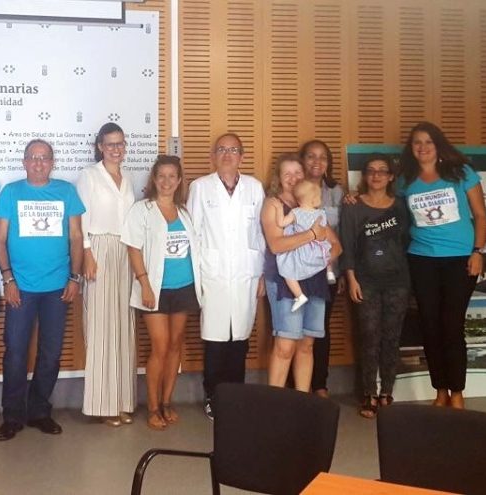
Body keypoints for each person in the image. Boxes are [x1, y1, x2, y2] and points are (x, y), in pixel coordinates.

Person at [0, 140, 84, 441]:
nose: (39, 163)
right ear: (24, 162)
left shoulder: (66, 191)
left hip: (58, 287)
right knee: (16, 352)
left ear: (52, 162)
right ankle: (12, 415)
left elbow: (75, 237)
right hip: (21, 287)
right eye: (33, 158)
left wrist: (74, 278)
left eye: (44, 158)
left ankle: (40, 411)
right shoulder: (11, 192)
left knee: (51, 353)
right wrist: (8, 280)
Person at [398, 122, 486, 409]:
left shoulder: (461, 173)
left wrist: (478, 251)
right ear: (411, 149)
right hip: (421, 259)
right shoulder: (405, 180)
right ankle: (440, 391)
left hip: (460, 259)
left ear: (438, 145)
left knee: (451, 326)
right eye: (416, 143)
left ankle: (457, 392)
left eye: (428, 142)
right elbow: (386, 206)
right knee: (430, 326)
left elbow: (481, 216)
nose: (422, 147)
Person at [186, 133, 265, 419]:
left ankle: (237, 395)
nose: (228, 155)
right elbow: (193, 235)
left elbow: (261, 234)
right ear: (213, 156)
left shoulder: (254, 188)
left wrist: (261, 275)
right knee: (216, 340)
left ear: (242, 156)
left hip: (246, 273)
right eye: (222, 150)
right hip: (213, 275)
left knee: (240, 338)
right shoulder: (200, 187)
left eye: (233, 150)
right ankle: (214, 395)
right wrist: (198, 278)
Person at [122, 155, 201, 430]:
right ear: (154, 179)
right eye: (161, 176)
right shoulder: (141, 210)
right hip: (154, 289)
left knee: (176, 344)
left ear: (179, 181)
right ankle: (153, 406)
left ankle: (168, 402)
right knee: (160, 345)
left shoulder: (184, 213)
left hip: (184, 287)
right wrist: (144, 283)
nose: (167, 181)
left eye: (172, 176)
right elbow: (133, 248)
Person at [261, 154, 341, 393]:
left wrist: (319, 257)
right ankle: (275, 408)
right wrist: (312, 236)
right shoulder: (273, 205)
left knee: (307, 344)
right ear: (278, 178)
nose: (293, 178)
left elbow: (337, 246)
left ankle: (302, 402)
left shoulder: (313, 209)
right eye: (287, 173)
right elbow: (276, 245)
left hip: (315, 281)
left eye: (298, 173)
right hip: (286, 281)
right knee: (285, 345)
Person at [76, 123, 138, 426]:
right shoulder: (89, 176)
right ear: (100, 146)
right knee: (101, 327)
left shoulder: (128, 179)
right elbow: (81, 220)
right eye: (110, 144)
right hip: (98, 249)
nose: (116, 149)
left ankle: (123, 400)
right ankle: (102, 405)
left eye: (120, 144)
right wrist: (87, 254)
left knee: (123, 325)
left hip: (124, 251)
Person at [340, 154, 411, 418]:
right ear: (365, 176)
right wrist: (351, 278)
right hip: (365, 280)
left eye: (383, 171)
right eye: (371, 170)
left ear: (391, 176)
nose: (377, 175)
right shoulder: (352, 205)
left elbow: (407, 241)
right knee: (369, 336)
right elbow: (346, 243)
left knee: (392, 337)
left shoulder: (401, 205)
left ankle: (387, 392)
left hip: (398, 280)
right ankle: (368, 393)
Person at [299, 140, 345, 398]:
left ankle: (319, 384)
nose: (317, 162)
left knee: (320, 330)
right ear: (302, 159)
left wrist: (342, 273)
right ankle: (296, 385)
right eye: (311, 156)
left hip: (328, 271)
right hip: (296, 271)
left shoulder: (337, 192)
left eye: (322, 157)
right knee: (294, 331)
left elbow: (343, 233)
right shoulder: (292, 186)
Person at [273, 179, 335, 312]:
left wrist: (279, 209)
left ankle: (299, 295)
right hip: (317, 250)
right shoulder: (321, 213)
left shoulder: (296, 212)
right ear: (314, 199)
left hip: (302, 251)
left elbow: (281, 223)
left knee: (286, 269)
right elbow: (324, 234)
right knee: (327, 249)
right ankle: (330, 271)